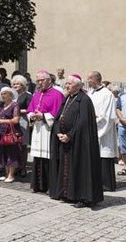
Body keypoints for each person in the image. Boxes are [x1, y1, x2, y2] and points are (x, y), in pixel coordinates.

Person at [49, 76, 104, 208]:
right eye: (66, 84)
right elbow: (58, 117)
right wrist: (58, 132)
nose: (66, 86)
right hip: (64, 140)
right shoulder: (67, 98)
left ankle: (82, 196)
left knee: (80, 168)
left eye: (69, 84)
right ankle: (68, 193)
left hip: (79, 141)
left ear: (78, 86)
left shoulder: (84, 100)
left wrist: (70, 135)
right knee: (67, 167)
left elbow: (83, 122)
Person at [27, 70, 64, 192]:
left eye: (41, 80)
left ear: (49, 80)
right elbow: (30, 110)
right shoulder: (36, 94)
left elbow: (59, 114)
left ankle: (49, 186)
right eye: (37, 81)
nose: (39, 83)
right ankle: (38, 185)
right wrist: (32, 115)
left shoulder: (57, 94)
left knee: (48, 158)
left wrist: (43, 116)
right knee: (38, 158)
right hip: (38, 130)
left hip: (48, 130)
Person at [87, 71, 117, 191]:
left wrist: (95, 122)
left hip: (103, 132)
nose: (87, 80)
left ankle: (106, 184)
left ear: (96, 79)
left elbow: (108, 116)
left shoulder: (107, 94)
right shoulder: (90, 93)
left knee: (104, 155)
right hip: (92, 129)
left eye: (89, 78)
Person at [0, 86, 23, 183]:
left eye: (5, 94)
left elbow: (16, 119)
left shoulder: (15, 105)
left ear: (10, 95)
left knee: (12, 153)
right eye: (2, 94)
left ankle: (11, 174)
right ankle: (6, 173)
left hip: (11, 133)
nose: (3, 96)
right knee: (4, 153)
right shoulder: (2, 105)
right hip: (2, 132)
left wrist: (2, 120)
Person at [12, 75, 32, 176]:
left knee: (22, 145)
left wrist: (18, 110)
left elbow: (30, 109)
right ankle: (16, 166)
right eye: (14, 84)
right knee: (14, 145)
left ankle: (23, 167)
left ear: (23, 85)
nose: (15, 86)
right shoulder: (13, 96)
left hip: (23, 121)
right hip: (13, 121)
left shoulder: (27, 95)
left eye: (18, 84)